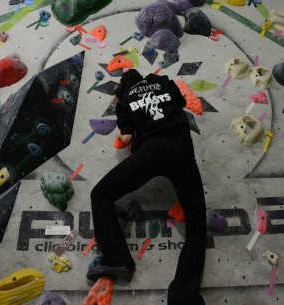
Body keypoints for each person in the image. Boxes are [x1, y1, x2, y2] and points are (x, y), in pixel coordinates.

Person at [87, 69, 207, 305]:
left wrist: (130, 121)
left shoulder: (124, 100)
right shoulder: (161, 81)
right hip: (181, 146)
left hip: (151, 151)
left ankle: (117, 258)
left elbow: (128, 138)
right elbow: (180, 102)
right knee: (197, 229)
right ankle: (183, 297)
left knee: (100, 194)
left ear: (121, 88)